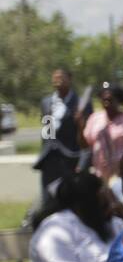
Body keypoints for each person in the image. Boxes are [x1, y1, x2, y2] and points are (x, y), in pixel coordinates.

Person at [24, 172, 123, 262]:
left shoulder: (111, 224)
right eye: (103, 199)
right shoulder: (54, 229)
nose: (110, 204)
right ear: (87, 202)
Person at [31, 67, 81, 221]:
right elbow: (47, 131)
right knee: (48, 198)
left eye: (60, 77)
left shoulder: (79, 102)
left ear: (69, 79)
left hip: (70, 158)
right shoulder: (46, 102)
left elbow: (84, 133)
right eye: (54, 77)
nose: (57, 80)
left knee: (69, 197)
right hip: (49, 158)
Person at [81, 82, 123, 182]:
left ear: (119, 100)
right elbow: (85, 145)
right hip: (100, 177)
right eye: (103, 98)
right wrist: (79, 125)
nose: (106, 101)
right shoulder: (95, 119)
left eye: (110, 99)